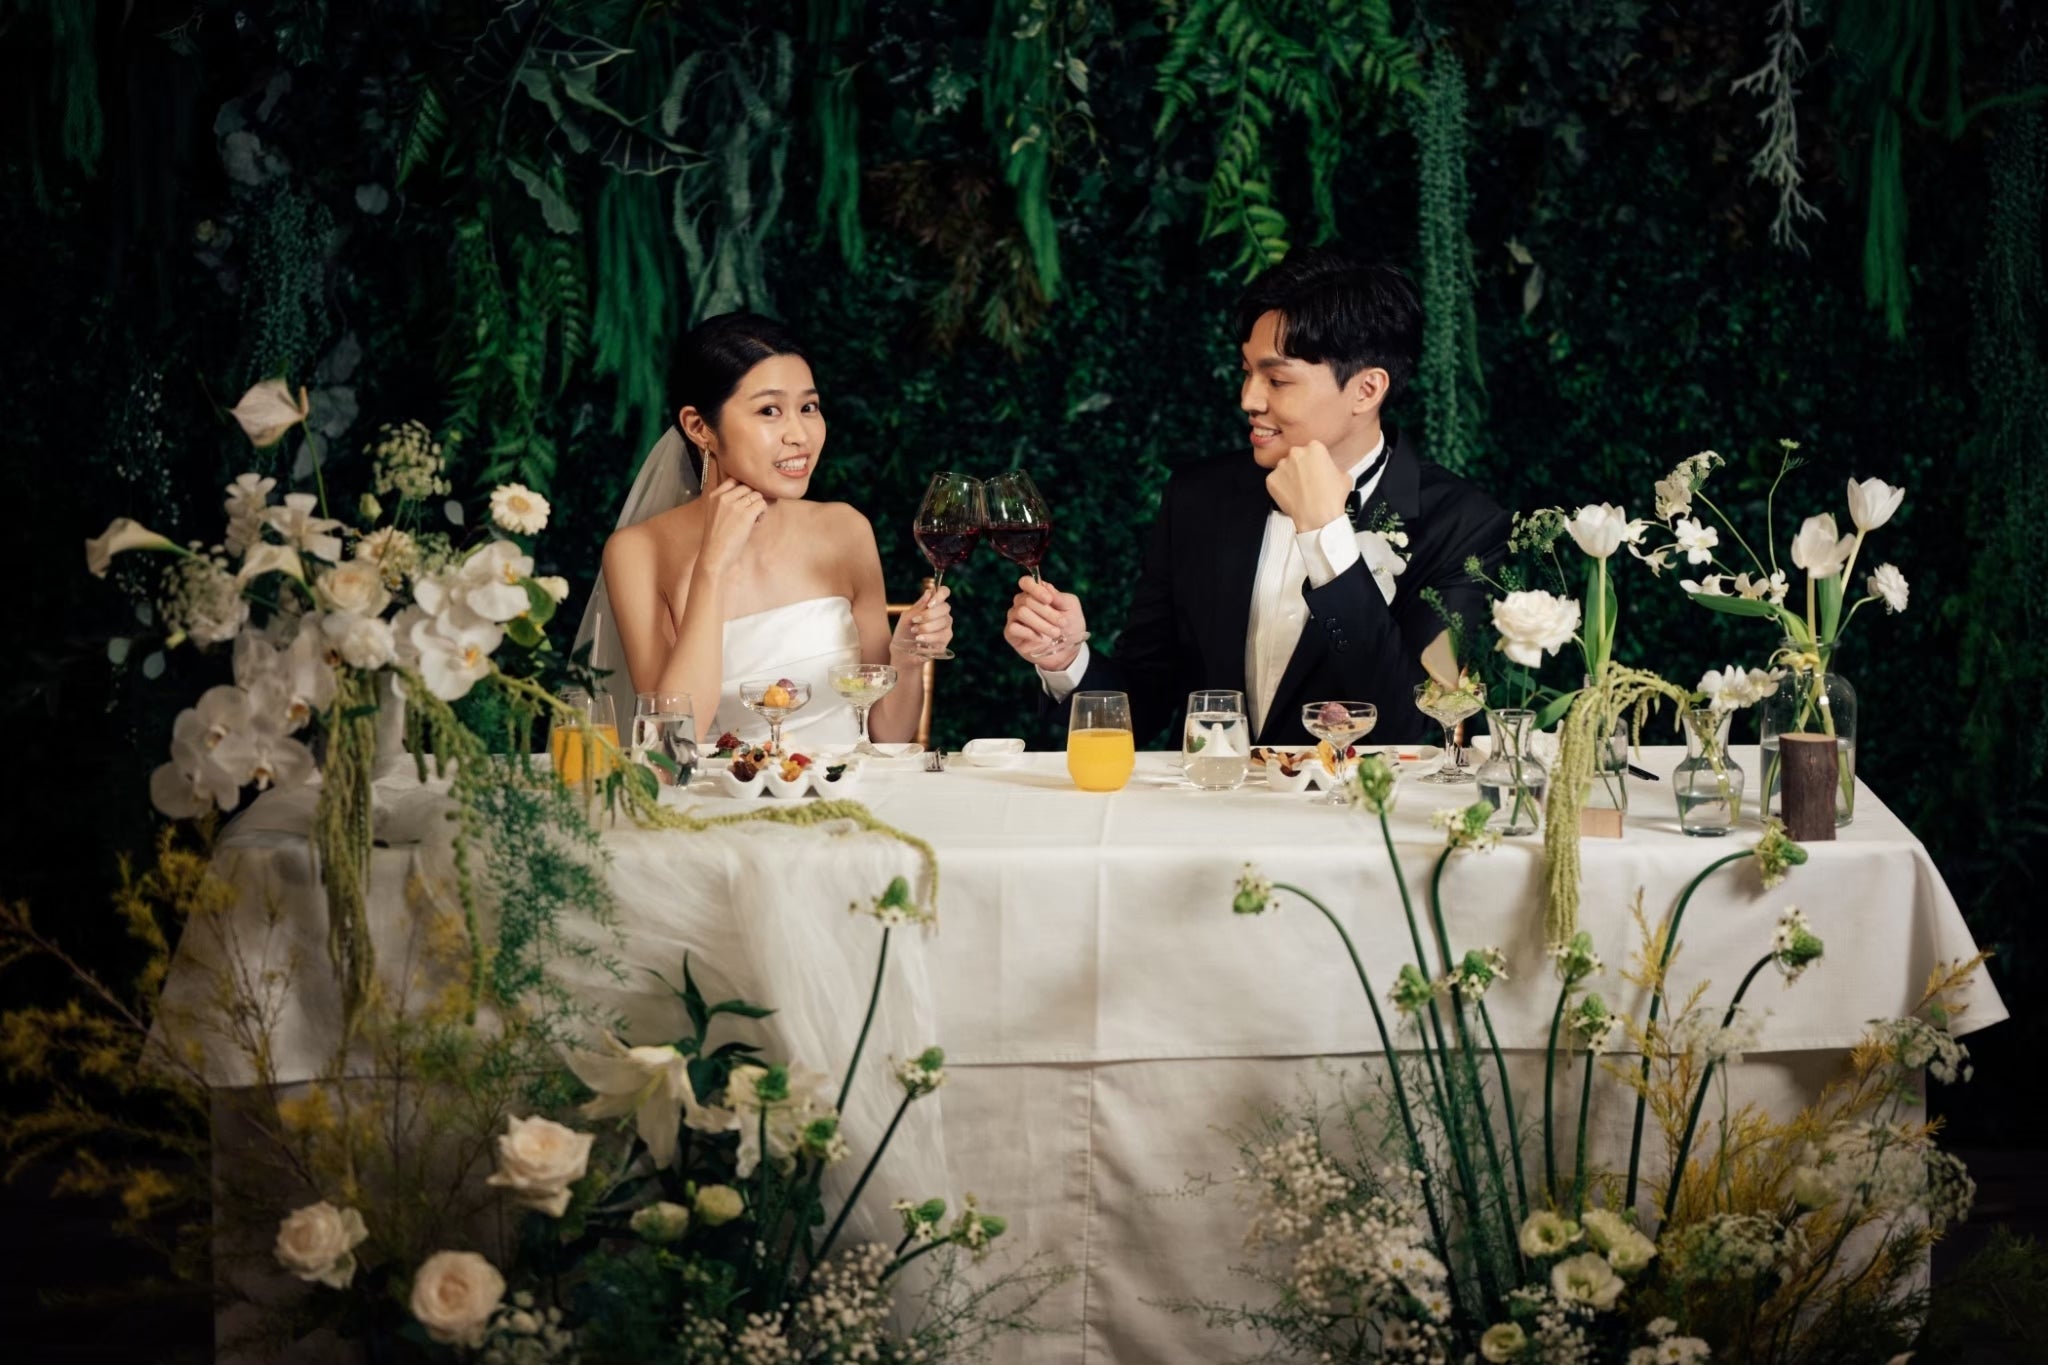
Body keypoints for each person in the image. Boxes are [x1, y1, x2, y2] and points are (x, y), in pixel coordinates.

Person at [1003, 250, 1508, 746]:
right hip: (1210, 795)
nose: (1249, 398)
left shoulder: (1463, 526)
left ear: (1367, 389)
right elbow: (1147, 700)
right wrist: (1068, 661)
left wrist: (1326, 536)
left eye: (1277, 379)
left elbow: (1412, 728)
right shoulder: (1198, 498)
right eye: (1247, 372)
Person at [581, 312, 950, 747]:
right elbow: (671, 743)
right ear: (699, 428)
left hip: (852, 786)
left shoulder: (846, 529)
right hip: (721, 790)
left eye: (808, 408)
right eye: (769, 411)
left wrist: (905, 659)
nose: (800, 435)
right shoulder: (638, 551)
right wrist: (712, 565)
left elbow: (888, 736)